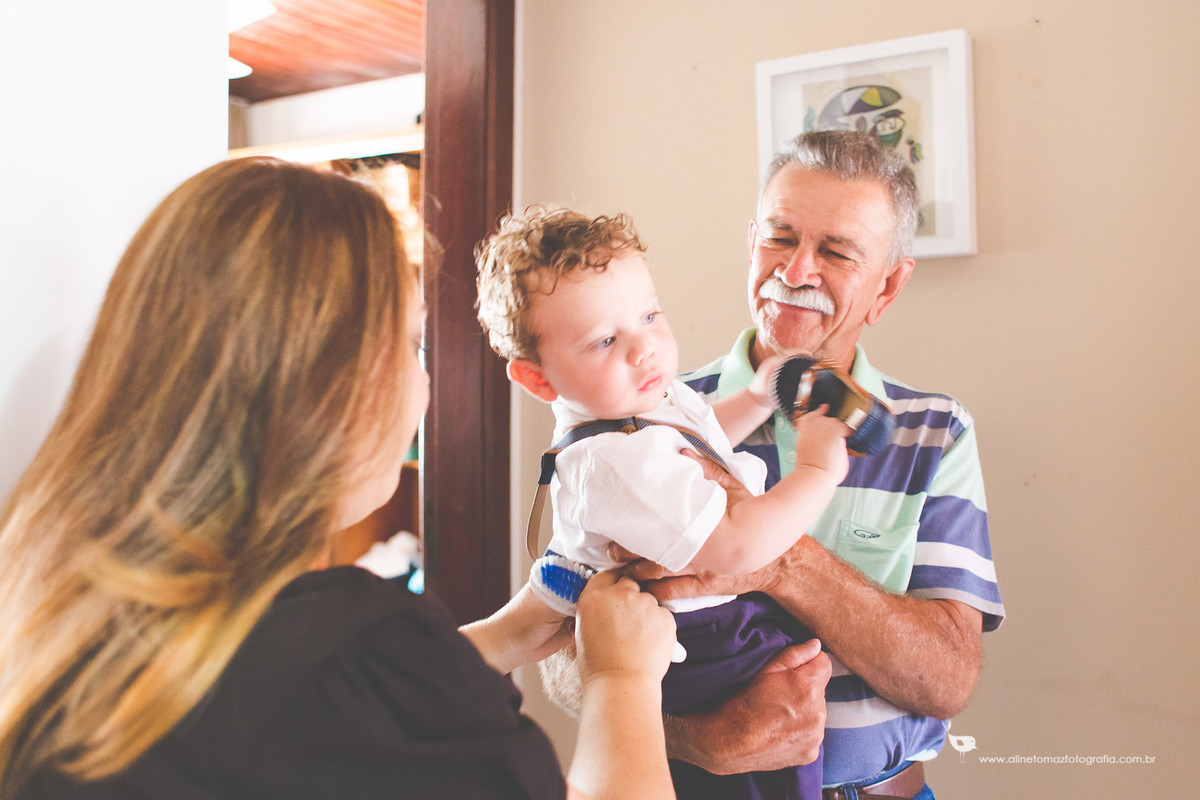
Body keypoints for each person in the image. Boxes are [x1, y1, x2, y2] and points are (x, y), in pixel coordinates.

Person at [0, 157, 678, 800]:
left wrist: (502, 636)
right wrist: (622, 677)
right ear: (332, 389)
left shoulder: (57, 599)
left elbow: (277, 721)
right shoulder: (359, 650)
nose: (423, 385)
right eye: (412, 345)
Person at [545, 130, 1006, 799]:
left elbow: (946, 681)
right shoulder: (641, 415)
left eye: (836, 252)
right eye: (780, 239)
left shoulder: (935, 431)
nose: (794, 272)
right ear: (751, 243)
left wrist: (777, 559)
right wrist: (698, 740)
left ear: (887, 286)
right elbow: (560, 647)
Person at [476, 205, 850, 799]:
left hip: (704, 628)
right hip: (702, 648)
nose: (644, 348)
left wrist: (756, 397)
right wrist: (819, 470)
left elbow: (694, 441)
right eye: (605, 340)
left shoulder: (639, 403)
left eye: (649, 316)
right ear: (538, 379)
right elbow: (737, 547)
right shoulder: (612, 461)